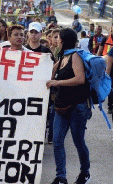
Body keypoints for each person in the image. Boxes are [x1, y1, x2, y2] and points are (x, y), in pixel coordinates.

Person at [46, 28, 91, 184]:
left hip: (77, 107)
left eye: (58, 38)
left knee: (78, 141)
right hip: (61, 106)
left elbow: (80, 79)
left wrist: (57, 82)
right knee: (57, 141)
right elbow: (50, 75)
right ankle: (61, 177)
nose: (56, 40)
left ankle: (85, 172)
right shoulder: (63, 57)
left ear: (64, 40)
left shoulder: (75, 56)